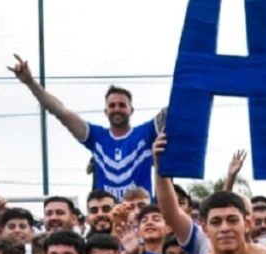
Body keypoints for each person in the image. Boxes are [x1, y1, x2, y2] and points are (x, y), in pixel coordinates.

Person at [11, 52, 160, 198]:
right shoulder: (96, 136)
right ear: (105, 111)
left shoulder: (146, 133)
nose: (117, 109)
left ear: (131, 110)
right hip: (107, 211)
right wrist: (30, 82)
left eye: (122, 105)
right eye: (112, 105)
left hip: (141, 211)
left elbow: (170, 112)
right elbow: (61, 112)